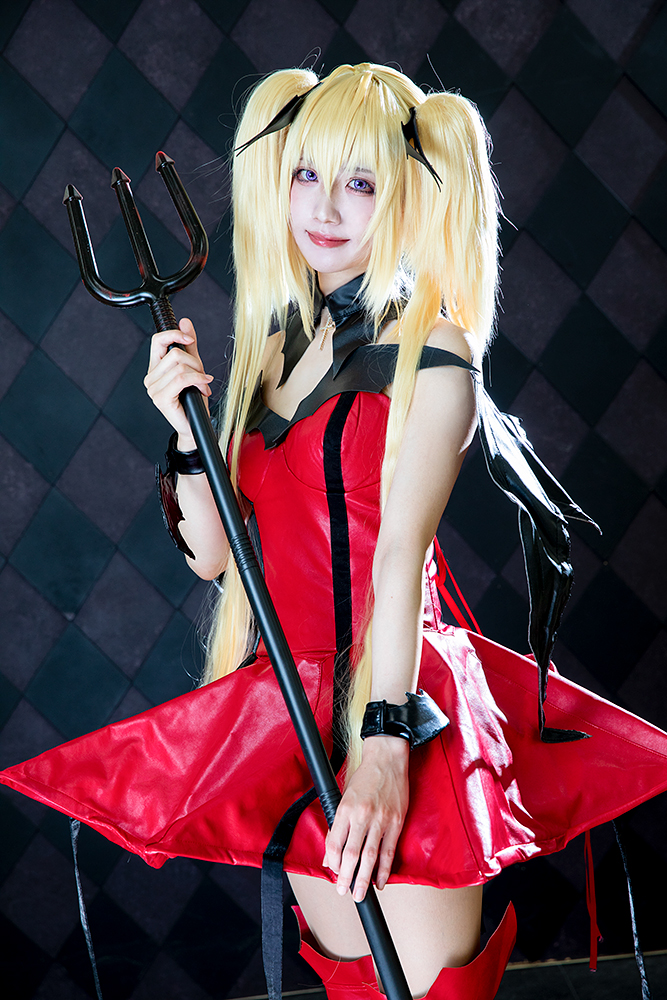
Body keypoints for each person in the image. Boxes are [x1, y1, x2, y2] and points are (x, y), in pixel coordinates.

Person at [4, 62, 667, 1000]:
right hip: (292, 707)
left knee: (430, 991)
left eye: (359, 182)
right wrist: (186, 434)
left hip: (396, 706)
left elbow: (398, 562)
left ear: (405, 191)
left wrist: (386, 751)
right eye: (306, 174)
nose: (323, 207)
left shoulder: (434, 358)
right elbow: (215, 559)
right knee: (356, 985)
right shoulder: (272, 344)